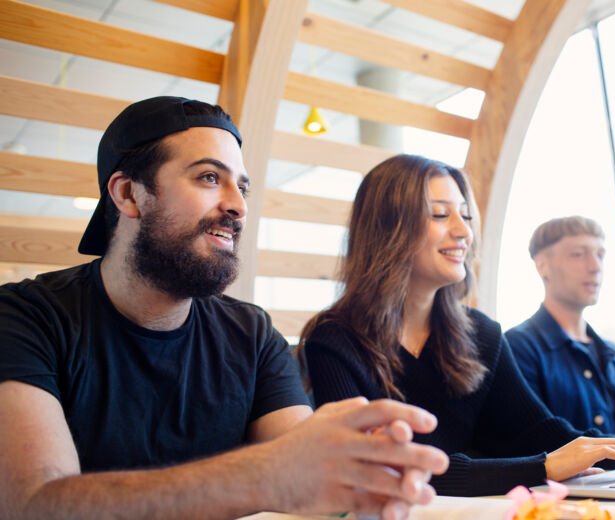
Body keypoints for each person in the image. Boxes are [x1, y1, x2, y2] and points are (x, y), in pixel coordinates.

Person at [0, 97, 449, 520]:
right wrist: (264, 475)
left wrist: (362, 477)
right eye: (209, 178)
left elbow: (303, 466)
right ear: (128, 195)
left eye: (243, 186)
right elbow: (32, 503)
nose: (237, 205)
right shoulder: (26, 317)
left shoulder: (251, 334)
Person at [299, 154, 615, 497]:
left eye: (465, 215)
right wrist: (540, 467)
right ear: (388, 227)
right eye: (440, 215)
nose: (463, 231)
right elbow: (385, 471)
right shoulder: (334, 340)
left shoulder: (480, 334)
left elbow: (543, 433)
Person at [504, 216, 615, 435]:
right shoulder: (516, 350)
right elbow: (537, 442)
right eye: (578, 255)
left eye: (600, 255)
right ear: (542, 265)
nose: (595, 266)